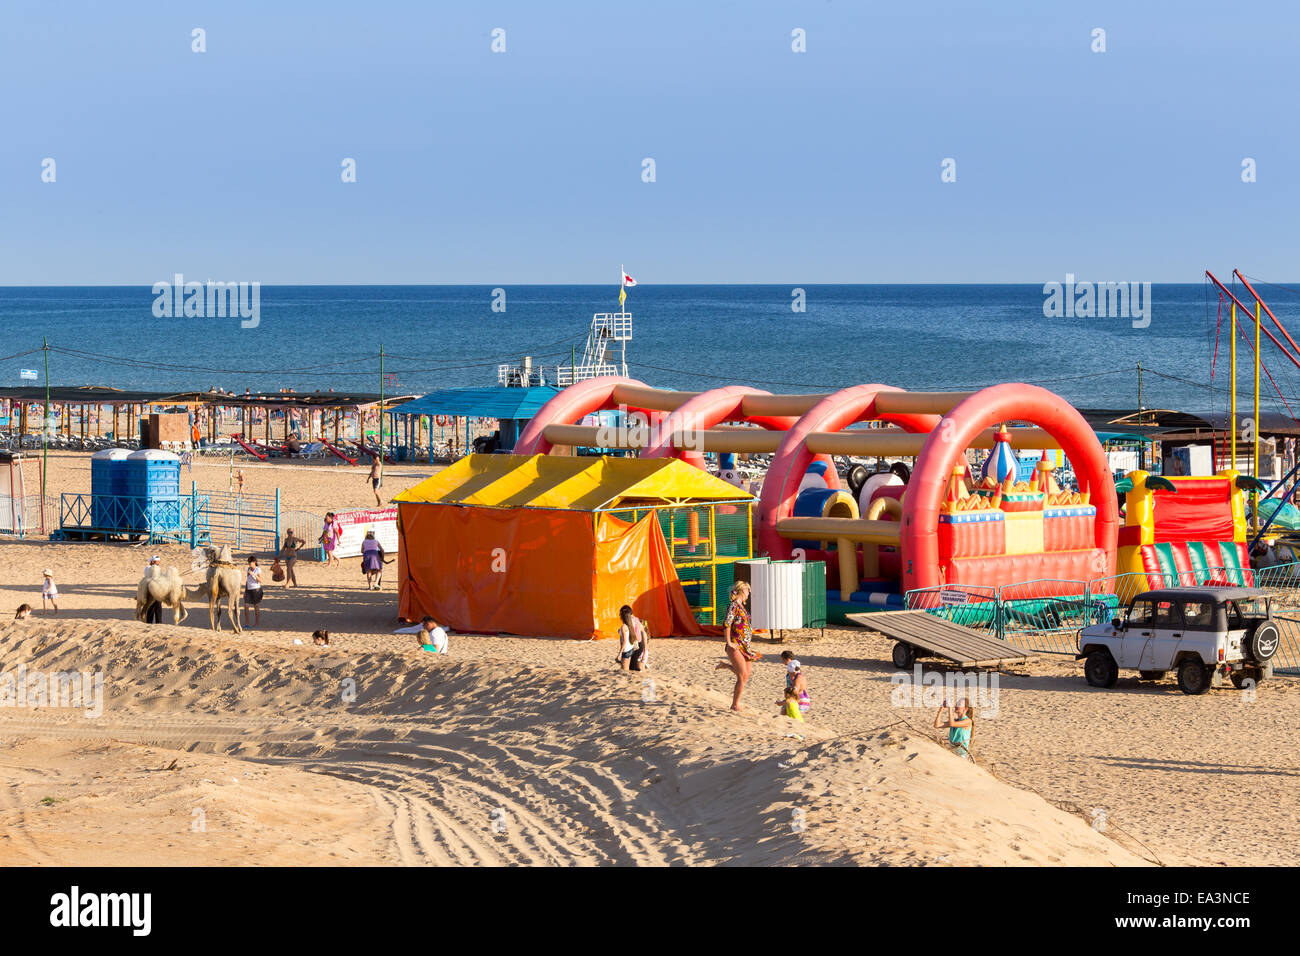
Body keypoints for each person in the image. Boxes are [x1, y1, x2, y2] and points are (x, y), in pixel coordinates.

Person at [715, 581, 758, 711]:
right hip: (735, 644)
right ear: (740, 591)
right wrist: (728, 642)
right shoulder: (733, 606)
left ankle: (725, 665)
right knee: (741, 675)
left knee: (746, 675)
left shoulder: (742, 607)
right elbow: (727, 624)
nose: (749, 593)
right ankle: (735, 704)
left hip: (745, 646)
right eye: (747, 591)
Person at [615, 605, 647, 670]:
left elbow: (642, 633)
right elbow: (642, 631)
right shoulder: (635, 620)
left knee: (632, 667)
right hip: (637, 645)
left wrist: (645, 650)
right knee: (633, 666)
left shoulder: (632, 621)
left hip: (636, 645)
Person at [781, 650, 812, 716]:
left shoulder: (797, 678)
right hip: (805, 699)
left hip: (799, 700)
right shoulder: (801, 675)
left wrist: (784, 702)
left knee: (786, 713)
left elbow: (795, 691)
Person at [242, 556, 263, 628]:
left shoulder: (258, 569)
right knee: (246, 606)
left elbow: (260, 580)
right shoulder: (248, 569)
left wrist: (253, 574)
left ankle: (257, 623)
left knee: (256, 607)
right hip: (248, 589)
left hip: (256, 589)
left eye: (250, 563)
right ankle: (247, 623)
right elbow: (247, 580)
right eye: (249, 563)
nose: (249, 564)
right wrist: (245, 591)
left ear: (255, 562)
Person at [144, 555, 163, 624]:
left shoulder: (157, 568)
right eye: (157, 562)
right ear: (153, 561)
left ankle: (159, 623)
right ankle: (149, 623)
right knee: (151, 607)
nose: (158, 563)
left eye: (159, 562)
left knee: (158, 608)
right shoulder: (148, 568)